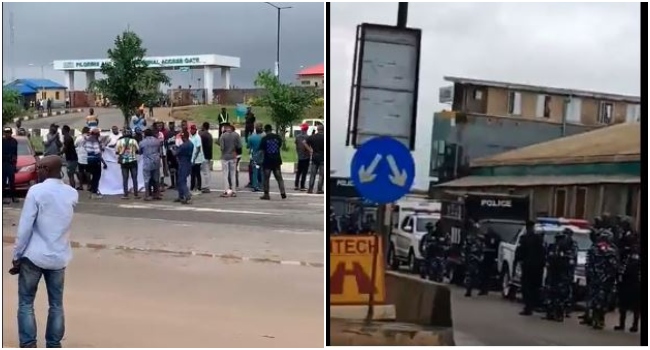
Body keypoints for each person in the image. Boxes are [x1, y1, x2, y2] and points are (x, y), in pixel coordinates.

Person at [10, 155, 78, 348]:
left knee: (25, 303)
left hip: (34, 256)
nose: (37, 170)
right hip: (59, 257)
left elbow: (25, 228)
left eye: (40, 167)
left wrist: (17, 256)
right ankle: (53, 344)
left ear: (47, 170)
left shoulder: (36, 191)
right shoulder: (72, 193)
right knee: (56, 304)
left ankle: (29, 344)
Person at [587, 230, 619, 330]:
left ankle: (598, 319)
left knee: (600, 300)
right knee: (599, 300)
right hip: (602, 279)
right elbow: (589, 263)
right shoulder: (601, 248)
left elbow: (615, 265)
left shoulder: (609, 249)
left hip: (603, 279)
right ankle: (597, 319)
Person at [514, 220, 546, 315]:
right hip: (538, 268)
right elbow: (543, 252)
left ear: (527, 228)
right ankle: (535, 305)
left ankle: (528, 307)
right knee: (535, 287)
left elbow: (519, 252)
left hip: (528, 267)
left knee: (526, 287)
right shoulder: (539, 238)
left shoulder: (524, 238)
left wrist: (517, 261)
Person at [543, 230, 572, 322]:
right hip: (552, 274)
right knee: (550, 294)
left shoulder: (567, 250)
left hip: (561, 275)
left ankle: (559, 314)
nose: (559, 241)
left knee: (560, 295)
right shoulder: (552, 247)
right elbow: (548, 259)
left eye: (561, 239)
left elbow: (568, 263)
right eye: (558, 239)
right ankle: (550, 313)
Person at [614, 240, 640, 332]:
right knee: (623, 305)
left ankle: (635, 325)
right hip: (625, 283)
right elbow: (620, 267)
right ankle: (622, 324)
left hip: (636, 284)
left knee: (636, 307)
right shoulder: (625, 255)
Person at [259, 124, 287, 200]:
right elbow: (280, 146)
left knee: (266, 178)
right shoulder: (277, 137)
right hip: (277, 160)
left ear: (265, 130)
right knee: (279, 177)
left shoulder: (264, 139)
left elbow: (261, 150)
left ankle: (266, 194)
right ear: (271, 130)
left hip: (267, 160)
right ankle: (283, 193)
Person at [115, 129, 140, 199]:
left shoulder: (119, 141)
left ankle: (125, 194)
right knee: (134, 178)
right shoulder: (134, 141)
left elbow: (116, 151)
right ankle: (136, 194)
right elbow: (138, 150)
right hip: (133, 161)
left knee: (125, 178)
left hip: (124, 162)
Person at [139, 128, 163, 201]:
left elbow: (140, 152)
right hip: (156, 160)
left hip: (147, 161)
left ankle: (147, 195)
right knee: (156, 178)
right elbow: (159, 150)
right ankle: (157, 194)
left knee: (147, 179)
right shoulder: (157, 141)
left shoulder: (142, 142)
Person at [219, 123, 241, 197]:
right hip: (233, 156)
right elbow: (239, 146)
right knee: (233, 174)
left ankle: (226, 191)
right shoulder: (236, 135)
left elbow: (222, 148)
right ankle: (234, 191)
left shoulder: (223, 135)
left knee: (225, 174)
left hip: (225, 156)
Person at [463, 222, 484, 297]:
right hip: (471, 258)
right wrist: (465, 257)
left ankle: (477, 288)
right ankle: (468, 290)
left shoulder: (480, 239)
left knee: (477, 275)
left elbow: (482, 249)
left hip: (477, 259)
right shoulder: (469, 238)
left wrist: (481, 257)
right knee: (470, 274)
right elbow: (465, 248)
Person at [84, 128, 107, 199]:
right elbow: (98, 153)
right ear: (95, 134)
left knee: (92, 176)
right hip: (95, 160)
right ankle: (94, 192)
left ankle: (91, 191)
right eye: (98, 133)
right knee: (96, 177)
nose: (99, 135)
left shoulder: (87, 140)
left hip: (89, 159)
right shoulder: (94, 141)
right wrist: (104, 162)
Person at [479, 227, 501, 295]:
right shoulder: (495, 238)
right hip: (489, 258)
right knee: (486, 275)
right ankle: (484, 289)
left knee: (485, 274)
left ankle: (484, 289)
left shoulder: (490, 239)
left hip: (488, 258)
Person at [173, 131, 193, 204]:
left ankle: (187, 195)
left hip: (183, 163)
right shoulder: (191, 144)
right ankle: (180, 195)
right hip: (188, 163)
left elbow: (175, 153)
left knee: (182, 181)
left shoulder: (183, 146)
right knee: (181, 180)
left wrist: (173, 149)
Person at [304, 124, 324, 194]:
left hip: (314, 157)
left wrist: (310, 149)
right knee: (321, 175)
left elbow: (304, 142)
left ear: (317, 129)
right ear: (323, 129)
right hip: (323, 158)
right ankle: (319, 189)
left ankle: (310, 189)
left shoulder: (312, 137)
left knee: (313, 174)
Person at [2, 127, 19, 204]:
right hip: (3, 163)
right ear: (4, 133)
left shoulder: (14, 141)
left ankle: (13, 197)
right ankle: (3, 198)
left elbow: (15, 154)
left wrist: (14, 164)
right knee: (2, 181)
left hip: (10, 163)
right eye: (6, 132)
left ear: (11, 133)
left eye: (9, 132)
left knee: (12, 181)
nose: (7, 134)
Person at [247, 123, 264, 192]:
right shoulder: (264, 137)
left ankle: (255, 186)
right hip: (263, 156)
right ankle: (262, 185)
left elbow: (248, 146)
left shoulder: (251, 137)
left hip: (254, 156)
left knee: (255, 172)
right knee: (262, 171)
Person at [188, 124, 205, 195]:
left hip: (197, 159)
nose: (192, 130)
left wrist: (194, 158)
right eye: (191, 129)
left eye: (193, 129)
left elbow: (198, 149)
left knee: (197, 173)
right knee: (192, 174)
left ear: (195, 130)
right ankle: (192, 188)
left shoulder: (197, 137)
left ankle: (198, 188)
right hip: (192, 158)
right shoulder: (190, 137)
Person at [294, 123, 311, 191]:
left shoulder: (297, 137)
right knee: (304, 172)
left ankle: (296, 185)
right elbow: (309, 146)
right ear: (307, 129)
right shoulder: (308, 137)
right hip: (306, 156)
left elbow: (296, 146)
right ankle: (302, 186)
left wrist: (298, 152)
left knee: (298, 171)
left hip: (299, 156)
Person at [199, 122, 213, 193]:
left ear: (204, 127)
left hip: (203, 155)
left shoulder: (202, 135)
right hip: (208, 155)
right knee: (207, 171)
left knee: (205, 172)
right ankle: (207, 185)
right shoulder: (209, 135)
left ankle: (206, 186)